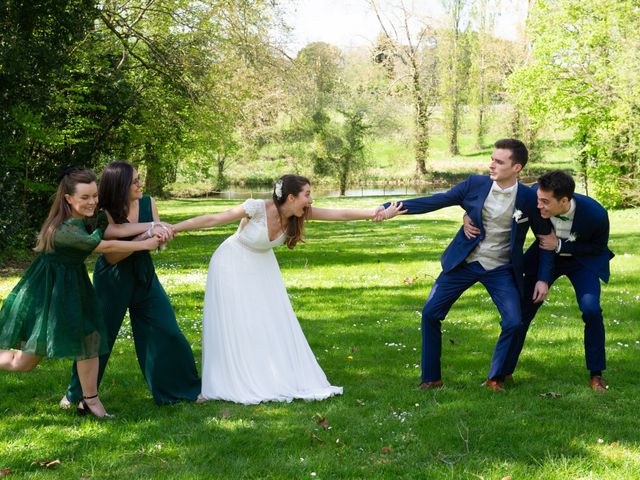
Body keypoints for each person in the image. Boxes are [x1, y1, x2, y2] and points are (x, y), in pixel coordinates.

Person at [171, 174, 402, 404]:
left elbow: (339, 214)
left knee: (268, 322)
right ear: (291, 197)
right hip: (231, 263)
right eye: (307, 195)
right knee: (240, 322)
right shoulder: (257, 208)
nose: (311, 200)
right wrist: (173, 229)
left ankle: (264, 375)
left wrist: (377, 212)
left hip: (262, 268)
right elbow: (213, 219)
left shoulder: (299, 214)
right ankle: (226, 380)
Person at [379, 138, 554, 391]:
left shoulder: (528, 198)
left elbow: (545, 240)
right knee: (430, 314)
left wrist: (543, 278)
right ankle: (431, 378)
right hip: (465, 261)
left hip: (501, 268)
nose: (491, 164)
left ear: (516, 168)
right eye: (492, 159)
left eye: (498, 161)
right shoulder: (475, 184)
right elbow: (436, 200)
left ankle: (495, 378)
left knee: (514, 322)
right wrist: (389, 208)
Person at [0, 168, 163, 418]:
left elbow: (115, 230)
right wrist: (145, 243)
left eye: (95, 196)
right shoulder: (63, 230)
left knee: (90, 339)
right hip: (49, 292)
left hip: (73, 284)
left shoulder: (89, 217)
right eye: (85, 197)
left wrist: (153, 226)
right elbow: (104, 245)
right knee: (22, 363)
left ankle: (91, 400)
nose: (92, 202)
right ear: (68, 198)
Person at [61, 161, 201, 407]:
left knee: (167, 329)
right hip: (113, 280)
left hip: (145, 276)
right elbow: (113, 256)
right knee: (99, 337)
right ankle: (76, 394)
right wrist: (147, 234)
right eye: (135, 181)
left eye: (139, 179)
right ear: (120, 185)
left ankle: (183, 390)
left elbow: (157, 241)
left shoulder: (148, 203)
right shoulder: (103, 211)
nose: (140, 184)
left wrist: (160, 237)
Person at [499, 170, 615, 390]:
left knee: (591, 309)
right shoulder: (536, 195)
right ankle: (504, 371)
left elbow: (598, 249)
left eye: (545, 202)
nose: (539, 205)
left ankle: (596, 374)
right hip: (544, 257)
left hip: (582, 262)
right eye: (538, 200)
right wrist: (469, 215)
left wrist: (562, 246)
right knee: (524, 311)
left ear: (564, 201)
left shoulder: (596, 214)